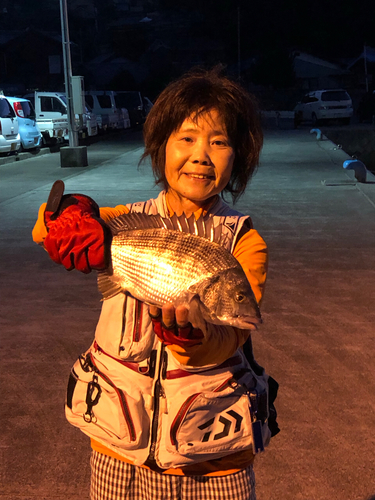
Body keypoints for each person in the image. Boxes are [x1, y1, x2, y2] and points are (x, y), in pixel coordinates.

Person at [32, 68, 278, 500]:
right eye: (186, 138)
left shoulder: (245, 242)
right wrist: (71, 212)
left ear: (239, 157)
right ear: (160, 145)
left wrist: (193, 337)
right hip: (118, 448)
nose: (201, 155)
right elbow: (46, 228)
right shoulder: (131, 219)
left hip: (211, 462)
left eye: (218, 142)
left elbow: (230, 338)